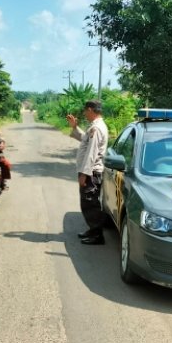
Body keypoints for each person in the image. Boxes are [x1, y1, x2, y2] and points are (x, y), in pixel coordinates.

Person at [67, 100, 108, 245]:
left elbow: (91, 153)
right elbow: (85, 141)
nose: (84, 113)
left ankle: (97, 235)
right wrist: (75, 127)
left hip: (91, 172)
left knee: (91, 203)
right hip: (90, 171)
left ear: (90, 110)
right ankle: (93, 230)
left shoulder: (97, 128)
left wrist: (84, 174)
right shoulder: (94, 127)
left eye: (85, 110)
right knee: (87, 203)